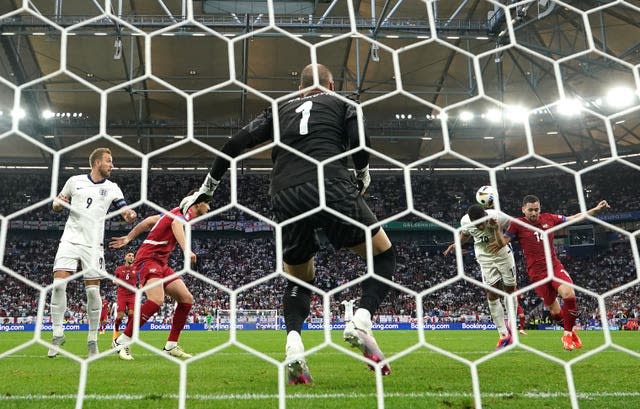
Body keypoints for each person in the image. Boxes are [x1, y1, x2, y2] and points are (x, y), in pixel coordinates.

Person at [184, 63, 396, 383]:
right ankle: (361, 321)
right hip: (331, 183)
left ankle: (294, 346)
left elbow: (234, 144)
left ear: (300, 86)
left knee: (300, 277)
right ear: (331, 84)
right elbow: (359, 140)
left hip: (285, 193)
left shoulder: (278, 107)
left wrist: (207, 190)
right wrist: (363, 174)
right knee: (383, 255)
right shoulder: (343, 103)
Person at [48, 147, 137, 358]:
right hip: (70, 239)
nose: (111, 165)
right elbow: (56, 203)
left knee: (92, 292)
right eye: (108, 161)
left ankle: (92, 339)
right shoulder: (74, 181)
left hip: (93, 244)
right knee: (59, 285)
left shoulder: (113, 188)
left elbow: (125, 210)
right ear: (97, 163)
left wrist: (130, 215)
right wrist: (58, 205)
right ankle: (57, 334)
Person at [490, 195, 610, 351]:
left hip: (554, 266)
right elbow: (501, 244)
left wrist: (595, 210)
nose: (534, 213)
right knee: (554, 311)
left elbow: (573, 218)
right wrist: (496, 229)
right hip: (537, 274)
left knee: (569, 294)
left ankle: (567, 334)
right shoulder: (517, 224)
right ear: (523, 210)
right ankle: (570, 332)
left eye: (536, 209)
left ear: (540, 208)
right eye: (530, 210)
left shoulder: (549, 218)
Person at [109, 191, 210, 360]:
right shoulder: (180, 215)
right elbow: (176, 225)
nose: (209, 207)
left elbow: (149, 221)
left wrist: (129, 237)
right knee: (156, 300)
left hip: (161, 263)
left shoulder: (173, 213)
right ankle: (121, 341)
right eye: (207, 203)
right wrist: (186, 249)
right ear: (198, 203)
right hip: (148, 259)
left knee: (186, 299)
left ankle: (170, 346)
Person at [444, 204, 517, 349]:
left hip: (503, 255)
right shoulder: (465, 221)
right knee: (491, 293)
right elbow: (465, 234)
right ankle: (503, 334)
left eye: (482, 222)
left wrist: (504, 237)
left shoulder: (498, 216)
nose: (481, 226)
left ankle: (512, 325)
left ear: (485, 216)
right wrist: (455, 244)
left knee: (510, 290)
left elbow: (515, 227)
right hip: (484, 257)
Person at [112, 252, 137, 340]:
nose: (131, 257)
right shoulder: (119, 269)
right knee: (120, 317)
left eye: (133, 256)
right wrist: (116, 281)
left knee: (131, 315)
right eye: (129, 255)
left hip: (132, 295)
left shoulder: (136, 268)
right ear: (125, 257)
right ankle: (115, 334)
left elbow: (142, 278)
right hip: (122, 294)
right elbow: (114, 280)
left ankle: (126, 336)